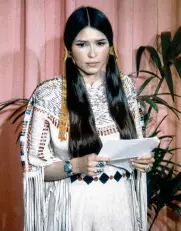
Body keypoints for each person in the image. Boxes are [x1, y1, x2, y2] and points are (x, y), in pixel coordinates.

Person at [20, 6, 155, 231]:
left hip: (119, 209)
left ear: (110, 47)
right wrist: (75, 165)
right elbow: (33, 171)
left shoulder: (125, 88)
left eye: (100, 43)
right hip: (72, 211)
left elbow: (136, 148)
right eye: (82, 44)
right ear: (68, 49)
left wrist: (142, 161)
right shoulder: (49, 95)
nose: (92, 54)